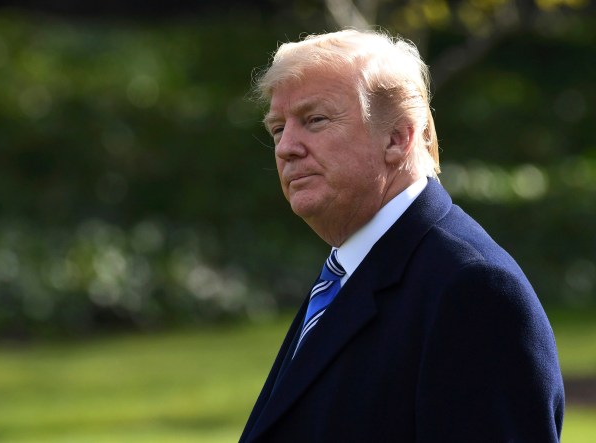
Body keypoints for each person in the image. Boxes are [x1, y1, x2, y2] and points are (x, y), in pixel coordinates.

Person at [240, 29, 565, 443]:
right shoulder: (351, 270)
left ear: (398, 137)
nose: (286, 147)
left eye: (314, 120)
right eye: (276, 129)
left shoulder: (473, 289)